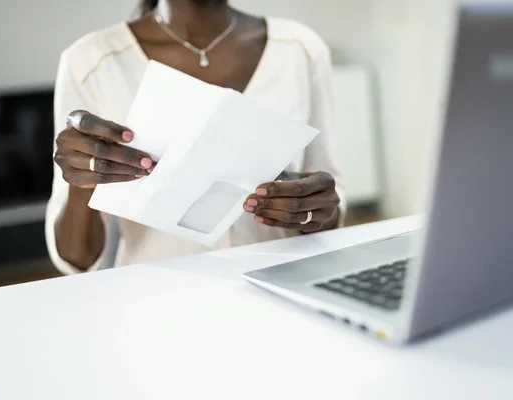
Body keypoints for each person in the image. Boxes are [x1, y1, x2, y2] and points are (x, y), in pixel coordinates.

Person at [46, 0, 346, 274]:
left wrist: (316, 210)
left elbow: (330, 202)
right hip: (157, 303)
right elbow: (76, 258)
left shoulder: (300, 49)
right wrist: (81, 185)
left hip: (286, 285)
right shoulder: (89, 62)